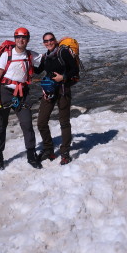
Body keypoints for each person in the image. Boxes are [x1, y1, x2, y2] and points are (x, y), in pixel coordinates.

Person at [0, 27, 43, 170]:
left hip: (22, 94)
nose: (21, 40)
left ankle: (31, 156)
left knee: (27, 124)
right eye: (18, 37)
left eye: (24, 37)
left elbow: (47, 59)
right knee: (1, 125)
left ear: (28, 40)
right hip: (4, 93)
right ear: (15, 39)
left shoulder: (31, 55)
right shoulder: (7, 55)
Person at [37, 32, 79, 165]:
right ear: (43, 43)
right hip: (49, 91)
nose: (48, 42)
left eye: (51, 40)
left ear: (55, 40)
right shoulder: (46, 57)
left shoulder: (63, 53)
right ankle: (49, 149)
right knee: (41, 122)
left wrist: (63, 77)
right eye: (46, 41)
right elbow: (38, 70)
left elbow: (75, 70)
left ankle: (65, 152)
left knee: (64, 122)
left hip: (63, 90)